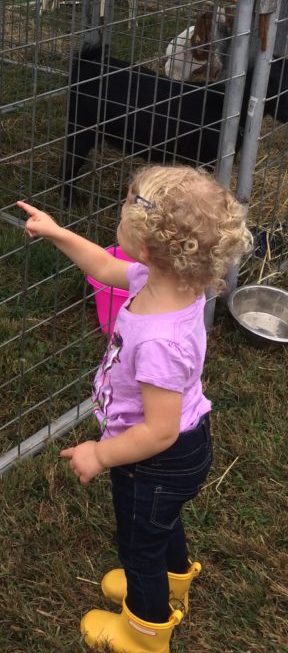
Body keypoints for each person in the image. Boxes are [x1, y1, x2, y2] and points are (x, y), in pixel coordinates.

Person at [16, 166, 252, 653]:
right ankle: (175, 584)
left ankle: (145, 632)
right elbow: (104, 266)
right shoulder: (163, 280)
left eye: (125, 209)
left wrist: (101, 455)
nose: (118, 215)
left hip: (156, 459)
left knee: (140, 544)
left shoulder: (161, 341)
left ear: (145, 249)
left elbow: (160, 430)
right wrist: (57, 231)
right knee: (163, 522)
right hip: (181, 451)